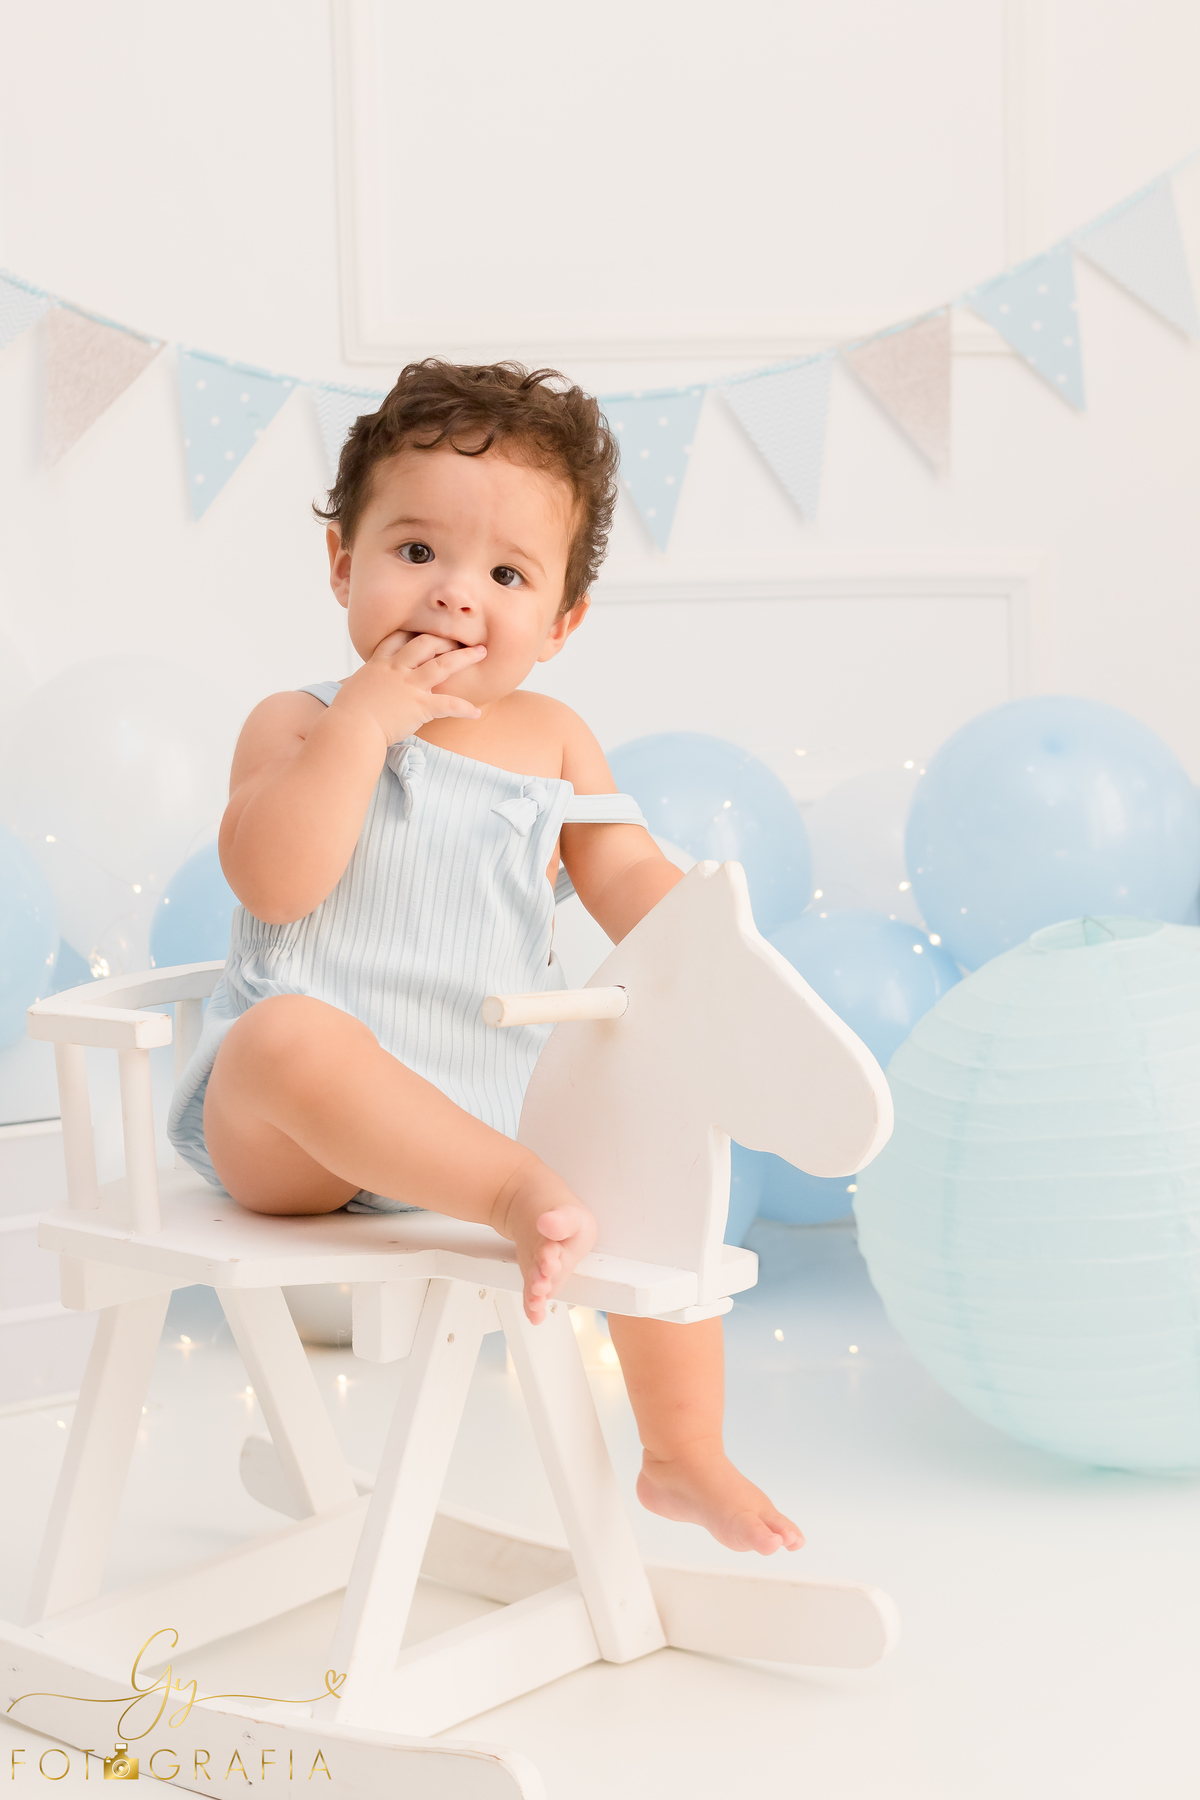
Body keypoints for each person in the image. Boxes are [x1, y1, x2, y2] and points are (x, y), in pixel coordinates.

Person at [168, 359, 800, 1556]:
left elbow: (630, 884)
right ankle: (518, 1200)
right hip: (293, 1142)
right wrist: (367, 723)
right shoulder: (300, 721)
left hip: (484, 1112)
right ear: (342, 563)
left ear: (561, 622)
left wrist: (721, 966)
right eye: (416, 552)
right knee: (288, 1034)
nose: (456, 594)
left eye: (506, 575)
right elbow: (275, 882)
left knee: (652, 1136)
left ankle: (683, 1453)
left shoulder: (554, 741)